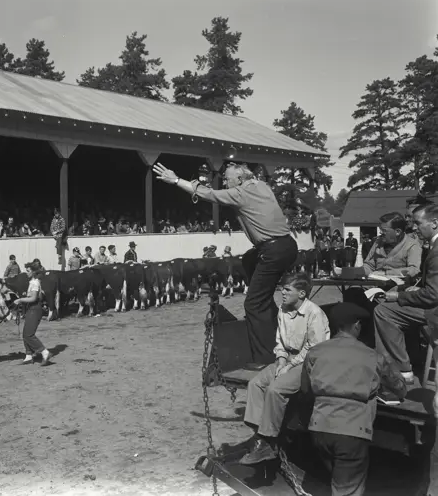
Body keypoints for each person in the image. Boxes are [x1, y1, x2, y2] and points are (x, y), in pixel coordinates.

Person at [154, 161, 298, 364]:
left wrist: (176, 180)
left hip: (272, 250)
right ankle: (271, 318)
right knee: (249, 260)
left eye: (227, 179)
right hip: (287, 246)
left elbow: (209, 195)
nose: (224, 182)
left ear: (239, 179)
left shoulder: (240, 193)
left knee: (253, 304)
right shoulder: (262, 186)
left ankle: (268, 358)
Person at [302, 302, 407, 496]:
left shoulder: (315, 352)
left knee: (337, 477)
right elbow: (400, 388)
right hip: (352, 432)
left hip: (319, 429)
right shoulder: (372, 355)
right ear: (357, 325)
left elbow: (305, 390)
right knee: (347, 489)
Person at [239, 272, 330, 465]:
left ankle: (268, 440)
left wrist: (289, 365)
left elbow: (314, 348)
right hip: (287, 359)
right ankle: (260, 436)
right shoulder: (283, 309)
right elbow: (280, 339)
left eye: (287, 289)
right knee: (255, 384)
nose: (282, 292)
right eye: (282, 288)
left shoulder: (314, 314)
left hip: (309, 363)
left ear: (302, 293)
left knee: (275, 389)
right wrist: (280, 360)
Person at [374, 203, 438, 385]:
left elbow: (433, 296)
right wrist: (420, 289)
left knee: (384, 310)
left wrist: (399, 297)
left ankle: (400, 370)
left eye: (418, 223)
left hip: (435, 311)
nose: (414, 227)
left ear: (434, 223)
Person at [13, 262, 52, 366]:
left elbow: (34, 298)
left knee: (28, 334)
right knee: (25, 333)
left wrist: (20, 300)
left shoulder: (35, 283)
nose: (27, 273)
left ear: (34, 272)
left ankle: (44, 352)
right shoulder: (32, 282)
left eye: (28, 271)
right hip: (32, 309)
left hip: (35, 309)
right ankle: (29, 355)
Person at [362, 212, 422, 279]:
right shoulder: (378, 242)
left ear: (397, 231)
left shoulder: (412, 245)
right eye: (380, 229)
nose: (380, 232)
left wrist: (386, 273)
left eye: (384, 230)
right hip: (374, 283)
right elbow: (368, 264)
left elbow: (413, 270)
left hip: (398, 286)